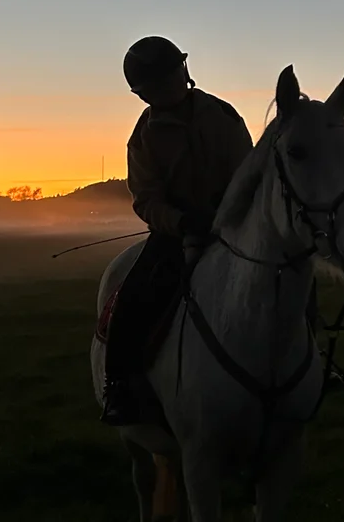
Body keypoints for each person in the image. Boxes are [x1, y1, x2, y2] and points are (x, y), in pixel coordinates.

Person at [100, 37, 254, 425]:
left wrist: (228, 212)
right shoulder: (143, 138)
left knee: (292, 274)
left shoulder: (223, 116)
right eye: (152, 88)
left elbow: (248, 172)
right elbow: (146, 200)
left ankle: (315, 361)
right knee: (134, 296)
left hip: (233, 226)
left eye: (167, 80)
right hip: (176, 234)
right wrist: (182, 222)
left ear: (182, 73)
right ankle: (117, 385)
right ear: (141, 94)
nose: (163, 91)